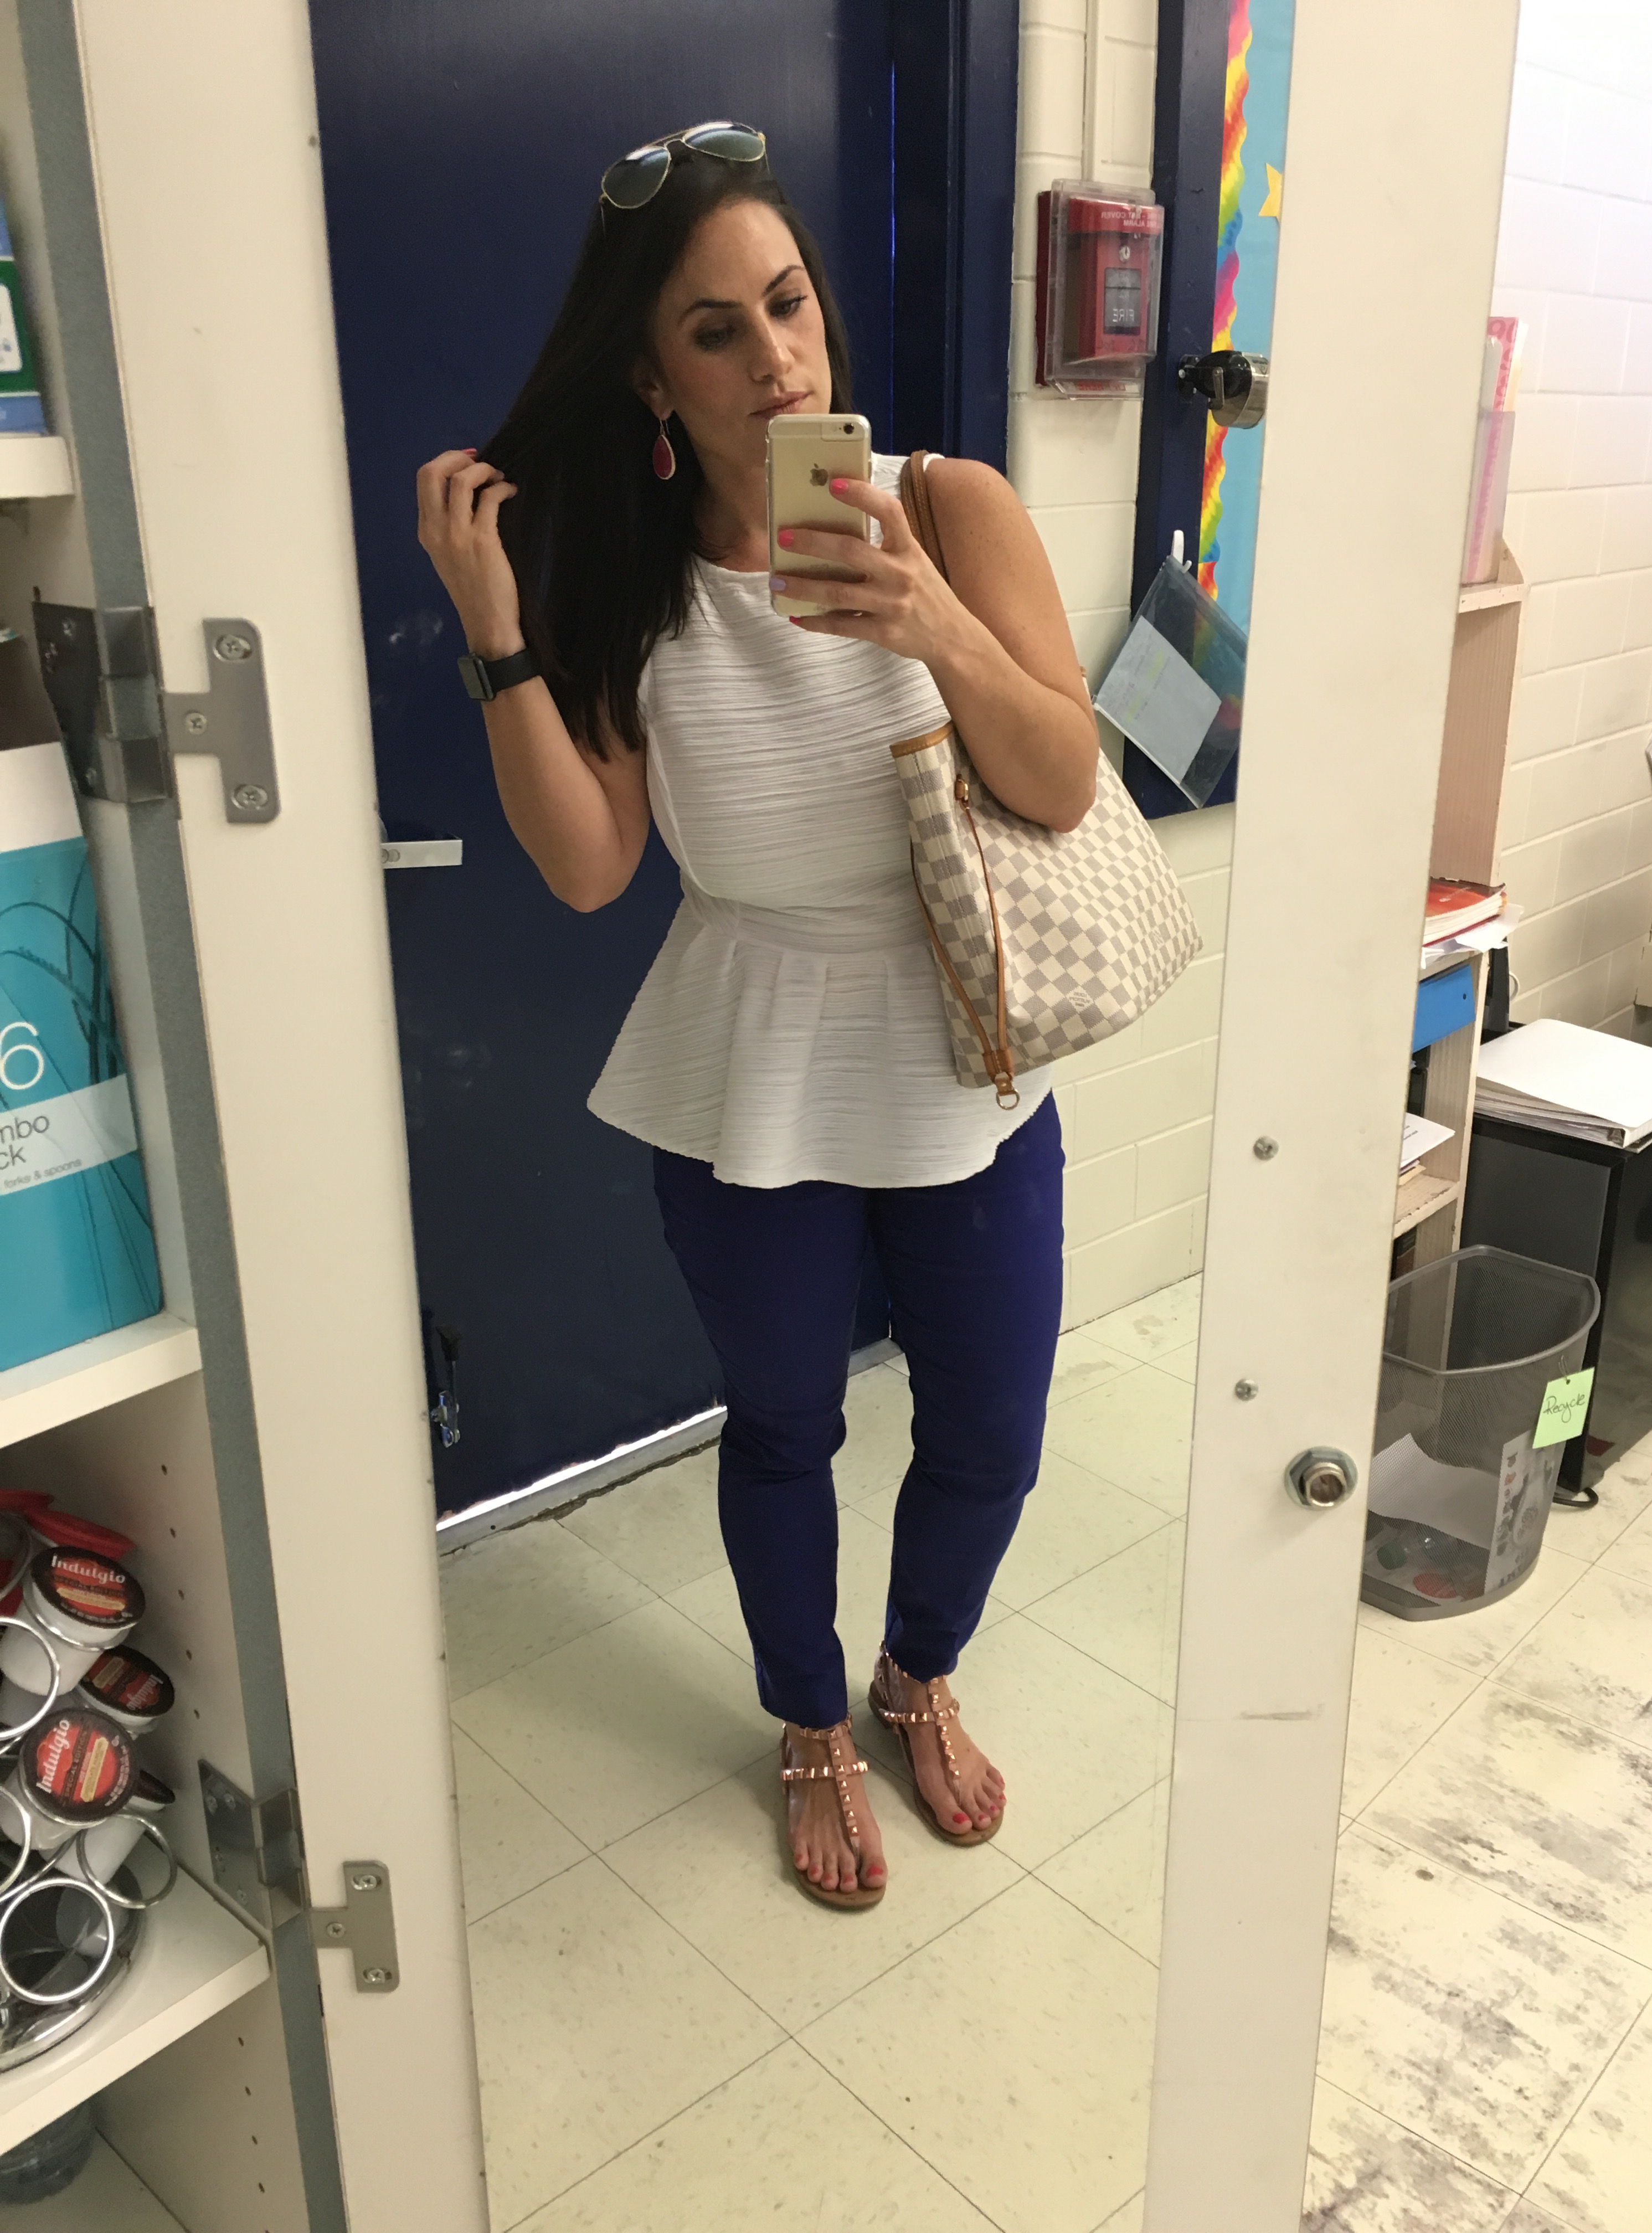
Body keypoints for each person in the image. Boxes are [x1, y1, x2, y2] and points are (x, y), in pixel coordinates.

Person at [416, 124, 1097, 1910]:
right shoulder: (628, 581)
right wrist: (497, 629)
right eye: (716, 331)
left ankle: (918, 1674)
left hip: (962, 1048)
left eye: (788, 304)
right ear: (653, 376)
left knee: (993, 1430)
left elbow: (1064, 778)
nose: (778, 359)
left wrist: (934, 621)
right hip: (752, 1067)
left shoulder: (952, 507)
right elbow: (590, 869)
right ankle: (809, 1721)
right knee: (784, 1427)